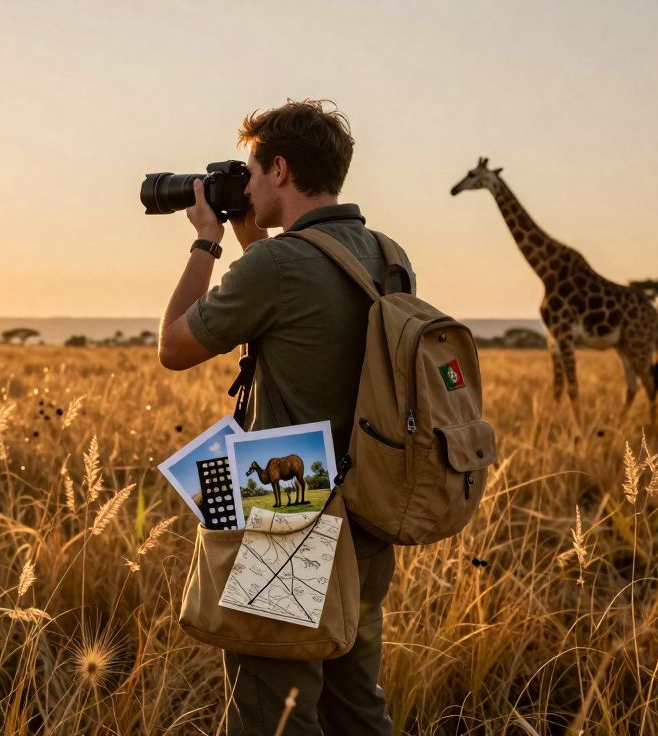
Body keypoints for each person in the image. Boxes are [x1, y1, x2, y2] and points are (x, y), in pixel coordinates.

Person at [157, 99, 414, 735]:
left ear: (279, 169)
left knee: (274, 711)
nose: (243, 184)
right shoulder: (386, 254)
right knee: (353, 704)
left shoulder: (277, 266)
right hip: (368, 506)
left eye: (250, 170)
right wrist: (255, 242)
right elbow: (312, 337)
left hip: (288, 497)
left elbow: (174, 347)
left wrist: (205, 241)